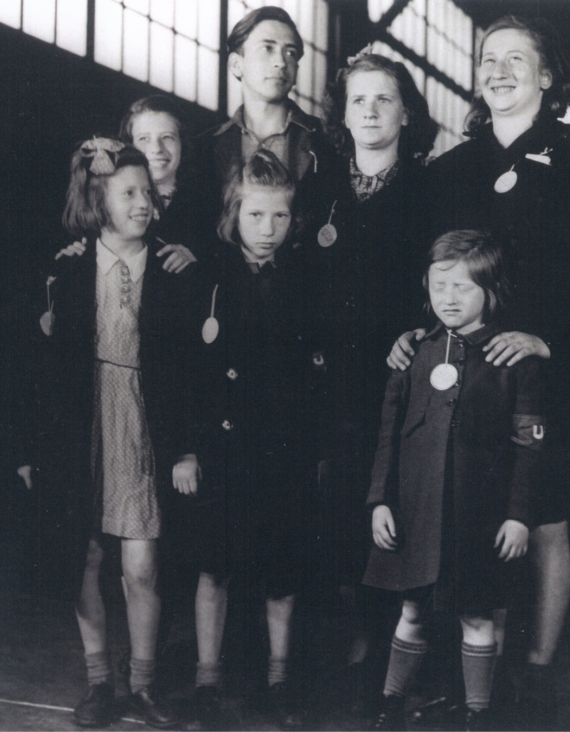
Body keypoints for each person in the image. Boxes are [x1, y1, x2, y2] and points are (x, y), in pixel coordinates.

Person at [388, 16, 570, 726]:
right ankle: (459, 674)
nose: (498, 70)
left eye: (516, 59)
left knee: (545, 520)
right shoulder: (447, 169)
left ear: (546, 76)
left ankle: (539, 674)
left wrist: (551, 340)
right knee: (461, 513)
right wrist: (420, 334)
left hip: (544, 372)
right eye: (488, 58)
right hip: (460, 377)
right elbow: (422, 274)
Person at [26, 138, 194, 728]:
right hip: (81, 426)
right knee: (85, 558)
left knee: (141, 565)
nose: (144, 203)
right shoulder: (67, 268)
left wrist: (186, 446)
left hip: (144, 425)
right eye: (129, 193)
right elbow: (38, 366)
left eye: (148, 192)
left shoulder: (176, 268)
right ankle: (101, 683)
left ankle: (142, 686)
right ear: (98, 198)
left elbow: (191, 371)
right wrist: (31, 448)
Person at [365, 231, 547, 731]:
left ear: (490, 292)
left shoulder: (515, 359)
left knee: (478, 615)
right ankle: (389, 704)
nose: (448, 297)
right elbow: (389, 434)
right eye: (439, 284)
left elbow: (528, 447)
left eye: (462, 288)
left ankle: (478, 715)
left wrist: (518, 516)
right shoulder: (414, 353)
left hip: (480, 516)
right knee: (413, 608)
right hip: (417, 508)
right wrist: (381, 500)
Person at [304, 48, 438, 716]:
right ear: (342, 113)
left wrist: (414, 334)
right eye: (358, 99)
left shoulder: (430, 192)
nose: (370, 111)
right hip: (327, 387)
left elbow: (443, 287)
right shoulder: (319, 189)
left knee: (392, 519)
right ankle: (341, 656)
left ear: (406, 112)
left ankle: (390, 674)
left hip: (398, 385)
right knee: (332, 521)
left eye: (384, 99)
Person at [173, 149, 314, 730]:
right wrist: (185, 448)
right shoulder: (207, 277)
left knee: (281, 570)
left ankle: (279, 680)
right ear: (234, 213)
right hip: (221, 449)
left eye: (280, 218)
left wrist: (313, 453)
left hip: (281, 450)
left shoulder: (303, 282)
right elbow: (184, 371)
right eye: (256, 216)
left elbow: (312, 376)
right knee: (215, 567)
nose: (268, 229)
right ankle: (208, 680)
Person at [185, 5, 333, 257]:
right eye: (268, 48)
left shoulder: (325, 140)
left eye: (290, 53)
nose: (280, 62)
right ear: (236, 65)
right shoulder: (204, 147)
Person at [121, 94, 202, 270]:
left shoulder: (206, 203)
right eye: (144, 139)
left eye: (167, 137)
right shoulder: (112, 201)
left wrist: (197, 263)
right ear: (130, 146)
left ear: (182, 143)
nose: (157, 149)